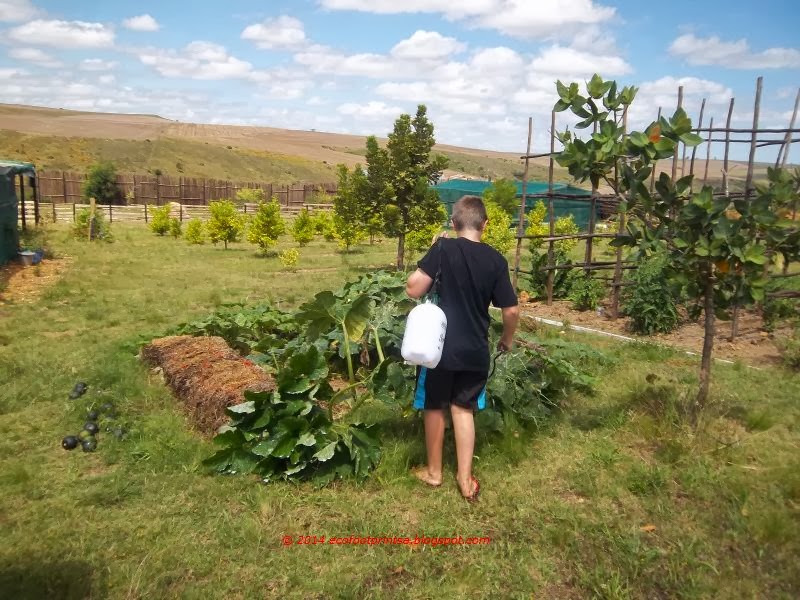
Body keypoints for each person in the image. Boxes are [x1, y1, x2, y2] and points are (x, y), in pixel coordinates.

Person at [405, 195, 519, 501]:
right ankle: (465, 480)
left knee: (434, 405)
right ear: (485, 224)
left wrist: (433, 249)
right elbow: (510, 310)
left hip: (438, 347)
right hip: (475, 348)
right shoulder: (496, 261)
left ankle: (434, 473)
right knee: (463, 407)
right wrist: (507, 339)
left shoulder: (443, 248)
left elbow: (413, 288)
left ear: (454, 223)